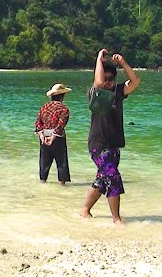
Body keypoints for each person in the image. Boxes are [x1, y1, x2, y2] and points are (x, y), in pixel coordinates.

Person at [80, 50, 140, 226]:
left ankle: (84, 210)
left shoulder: (118, 91)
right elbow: (98, 82)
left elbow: (135, 81)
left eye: (110, 79)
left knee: (103, 179)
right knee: (113, 176)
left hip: (114, 144)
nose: (107, 83)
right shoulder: (95, 93)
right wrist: (99, 59)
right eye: (105, 79)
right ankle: (117, 219)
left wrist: (123, 63)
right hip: (98, 144)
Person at [35, 83, 73, 185]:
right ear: (62, 96)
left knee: (44, 162)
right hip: (57, 137)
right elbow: (60, 125)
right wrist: (52, 138)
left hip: (44, 135)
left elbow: (38, 123)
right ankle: (62, 185)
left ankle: (42, 182)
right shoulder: (64, 109)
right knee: (61, 162)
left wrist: (42, 135)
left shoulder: (44, 107)